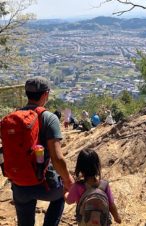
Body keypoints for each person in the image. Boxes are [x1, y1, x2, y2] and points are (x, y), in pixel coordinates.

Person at [10, 77, 74, 226]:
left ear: (27, 94)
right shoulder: (49, 118)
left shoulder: (13, 117)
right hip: (45, 185)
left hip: (19, 184)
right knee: (59, 197)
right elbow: (57, 158)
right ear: (45, 95)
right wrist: (68, 180)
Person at [64, 148, 121, 225]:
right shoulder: (104, 185)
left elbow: (69, 201)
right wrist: (117, 217)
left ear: (80, 167)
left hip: (85, 222)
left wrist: (65, 193)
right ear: (97, 165)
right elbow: (111, 204)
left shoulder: (77, 186)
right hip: (102, 222)